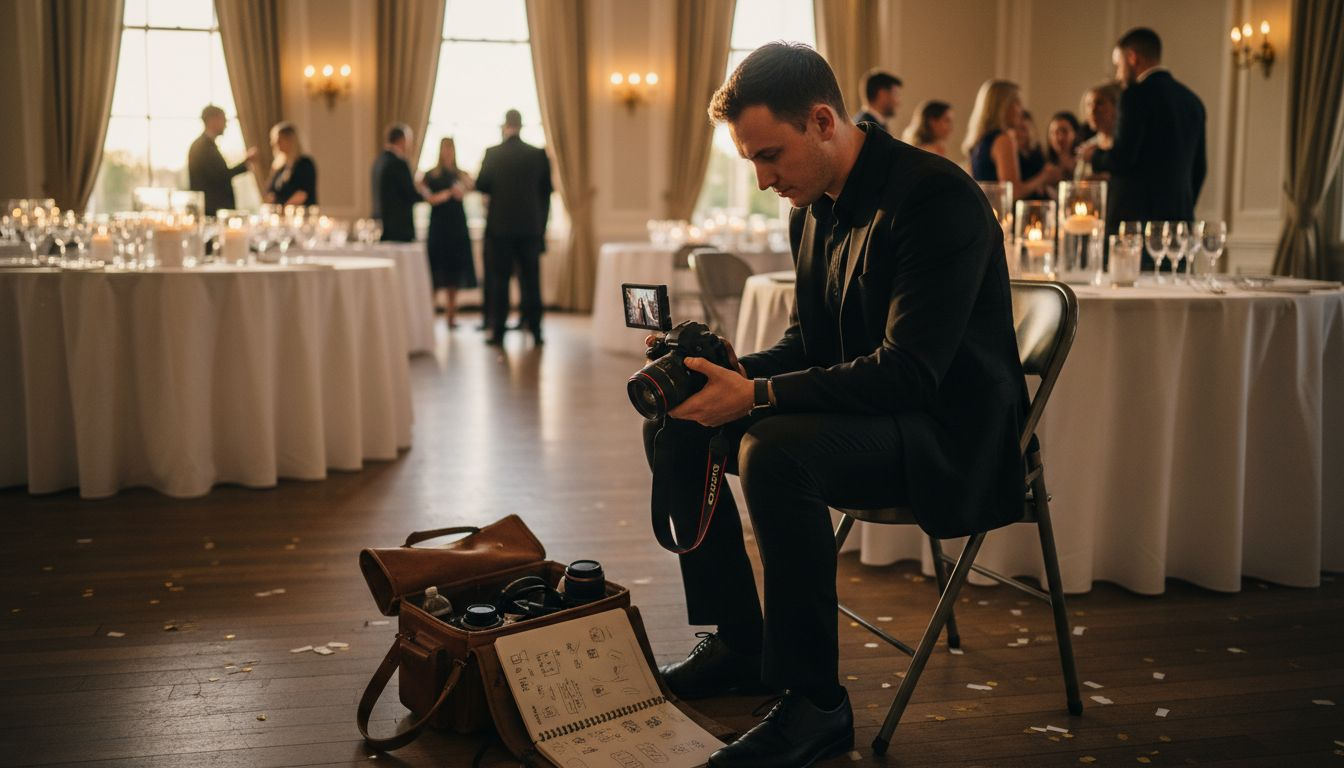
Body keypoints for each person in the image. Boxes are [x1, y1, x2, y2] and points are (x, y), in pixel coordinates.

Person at [645, 42, 1028, 768]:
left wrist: (753, 396)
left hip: (951, 436)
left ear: (823, 120)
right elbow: (810, 343)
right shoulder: (813, 207)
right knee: (682, 422)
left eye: (770, 156)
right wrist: (713, 373)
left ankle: (815, 702)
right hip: (880, 413)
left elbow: (912, 374)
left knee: (774, 450)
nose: (762, 180)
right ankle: (738, 640)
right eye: (751, 161)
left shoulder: (936, 196)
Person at [1080, 27, 1207, 246]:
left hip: (1135, 224)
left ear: (1132, 58)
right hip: (1180, 222)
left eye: (1118, 64)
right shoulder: (1192, 102)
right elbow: (1200, 168)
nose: (1118, 74)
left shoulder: (1134, 96)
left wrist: (1095, 156)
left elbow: (1123, 157)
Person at [475, 109, 553, 346]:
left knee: (499, 281)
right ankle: (536, 330)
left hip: (500, 230)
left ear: (505, 125)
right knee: (531, 281)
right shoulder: (538, 154)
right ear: (521, 125)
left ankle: (498, 331)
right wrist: (541, 226)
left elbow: (481, 185)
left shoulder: (493, 153)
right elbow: (546, 194)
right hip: (530, 229)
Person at [963, 80, 1059, 198]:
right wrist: (1044, 176)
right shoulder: (1003, 140)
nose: (1021, 110)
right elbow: (1013, 192)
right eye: (1017, 103)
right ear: (1003, 105)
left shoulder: (981, 141)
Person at [422, 137, 477, 327]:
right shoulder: (431, 175)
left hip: (456, 227)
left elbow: (473, 185)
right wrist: (446, 195)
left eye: (450, 149)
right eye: (445, 149)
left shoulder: (460, 174)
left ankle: (451, 314)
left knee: (454, 271)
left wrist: (463, 189)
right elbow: (426, 197)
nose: (448, 152)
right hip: (439, 226)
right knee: (435, 270)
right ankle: (429, 314)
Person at [187, 105, 256, 216]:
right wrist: (246, 163)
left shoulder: (206, 145)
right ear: (212, 120)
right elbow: (220, 176)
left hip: (213, 210)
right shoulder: (203, 147)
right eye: (223, 119)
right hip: (211, 211)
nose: (226, 125)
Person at [371, 123, 423, 242]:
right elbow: (410, 194)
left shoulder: (379, 161)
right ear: (402, 140)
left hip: (381, 224)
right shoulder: (399, 163)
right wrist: (422, 191)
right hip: (400, 228)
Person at [1074, 82, 1122, 181]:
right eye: (1089, 105)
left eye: (1099, 103)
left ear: (1116, 106)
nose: (1093, 110)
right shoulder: (1088, 146)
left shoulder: (1124, 146)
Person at [263, 122, 317, 207]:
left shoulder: (304, 164)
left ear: (290, 140)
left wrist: (284, 209)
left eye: (279, 140)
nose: (275, 143)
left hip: (300, 215)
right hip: (281, 216)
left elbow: (303, 193)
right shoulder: (279, 167)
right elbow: (271, 192)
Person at [1015, 111, 1049, 199]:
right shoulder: (1013, 157)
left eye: (1023, 129)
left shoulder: (1038, 153)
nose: (1019, 134)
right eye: (1016, 129)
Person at [1045, 111, 1082, 181]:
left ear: (1075, 133)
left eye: (1064, 131)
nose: (1060, 137)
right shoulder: (1044, 166)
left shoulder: (1084, 164)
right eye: (1055, 133)